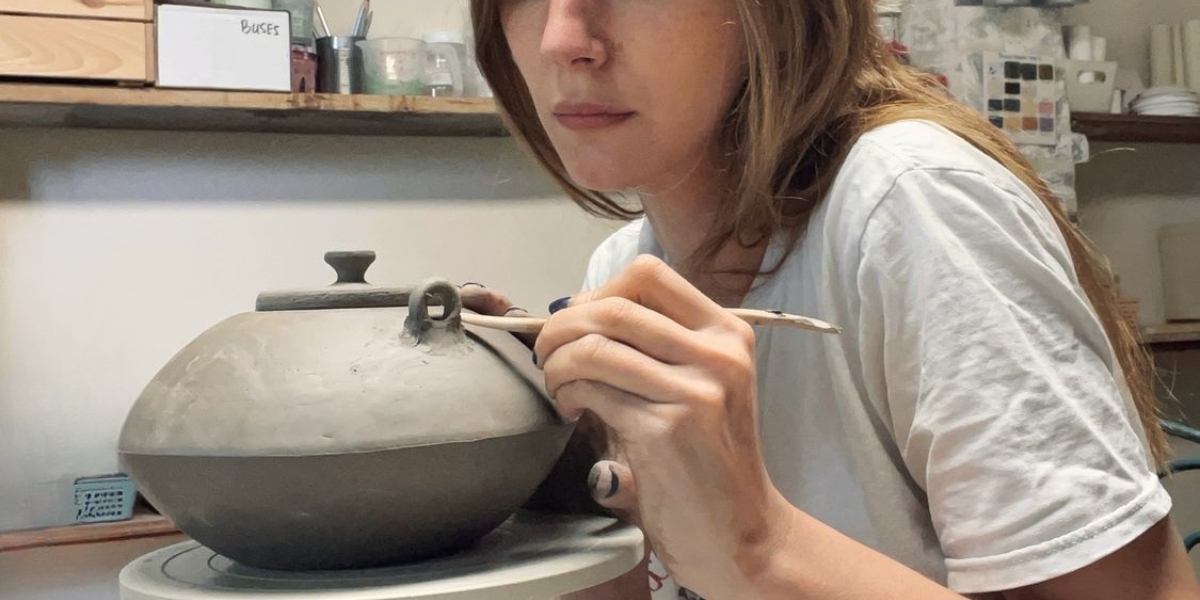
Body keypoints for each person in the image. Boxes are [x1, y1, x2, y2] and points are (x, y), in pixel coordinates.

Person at [458, 1, 1200, 599]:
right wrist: (564, 503)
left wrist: (761, 548)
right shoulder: (625, 266)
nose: (562, 39)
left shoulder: (910, 208)